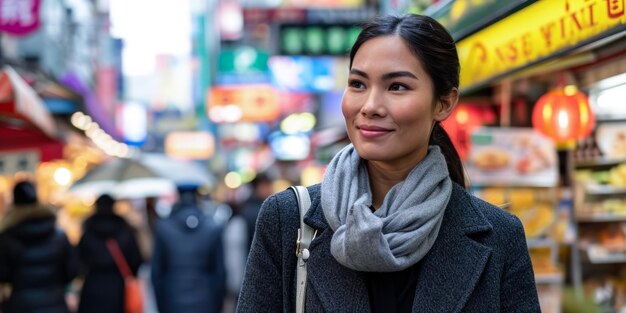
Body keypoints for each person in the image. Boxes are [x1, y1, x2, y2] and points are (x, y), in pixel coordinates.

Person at [237, 13, 540, 313]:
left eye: (397, 87)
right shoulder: (289, 220)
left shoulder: (499, 236)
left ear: (444, 103)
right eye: (357, 84)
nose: (370, 106)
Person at [0, 180, 78, 313]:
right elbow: (71, 272)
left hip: (21, 304)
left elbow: (3, 274)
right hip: (55, 303)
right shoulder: (59, 235)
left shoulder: (7, 237)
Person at [151, 185, 226, 313]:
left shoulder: (163, 227)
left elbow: (157, 273)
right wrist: (217, 305)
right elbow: (220, 272)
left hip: (172, 300)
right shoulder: (212, 227)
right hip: (205, 301)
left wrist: (161, 305)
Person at [77, 194, 143, 313]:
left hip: (92, 286)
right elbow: (136, 260)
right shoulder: (125, 231)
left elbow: (78, 262)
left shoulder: (88, 233)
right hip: (118, 286)